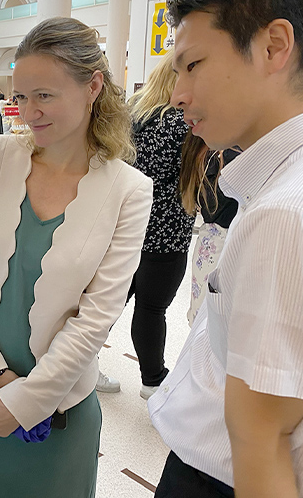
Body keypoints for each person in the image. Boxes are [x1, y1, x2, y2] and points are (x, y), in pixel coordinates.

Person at [0, 17, 152, 497]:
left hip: (58, 406)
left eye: (44, 95)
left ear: (92, 87)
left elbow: (98, 316)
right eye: (21, 96)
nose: (29, 112)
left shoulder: (129, 191)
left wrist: (25, 401)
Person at [149, 0, 303, 496]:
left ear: (273, 46)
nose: (178, 95)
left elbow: (264, 444)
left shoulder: (283, 213)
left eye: (193, 65)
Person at [118, 51, 195, 400]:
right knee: (151, 308)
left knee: (108, 302)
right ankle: (152, 378)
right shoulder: (182, 125)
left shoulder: (132, 116)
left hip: (125, 225)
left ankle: (79, 367)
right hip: (167, 232)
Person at [178, 133, 240, 325]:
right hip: (221, 242)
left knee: (204, 314)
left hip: (211, 241)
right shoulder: (225, 156)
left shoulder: (206, 153)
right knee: (211, 318)